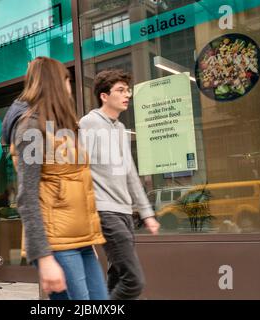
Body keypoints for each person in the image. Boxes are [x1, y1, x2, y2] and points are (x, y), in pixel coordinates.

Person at [2, 57, 108, 300]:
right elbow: (27, 196)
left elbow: (79, 185)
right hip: (56, 244)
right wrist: (44, 257)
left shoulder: (66, 127)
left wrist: (88, 235)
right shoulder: (31, 127)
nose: (70, 86)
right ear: (55, 84)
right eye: (67, 80)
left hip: (80, 240)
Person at [79, 69, 160, 300]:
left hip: (124, 212)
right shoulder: (90, 123)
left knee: (117, 276)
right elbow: (78, 169)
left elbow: (131, 174)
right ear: (104, 96)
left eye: (128, 90)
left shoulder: (120, 128)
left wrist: (146, 213)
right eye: (120, 90)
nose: (127, 95)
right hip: (105, 211)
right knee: (134, 281)